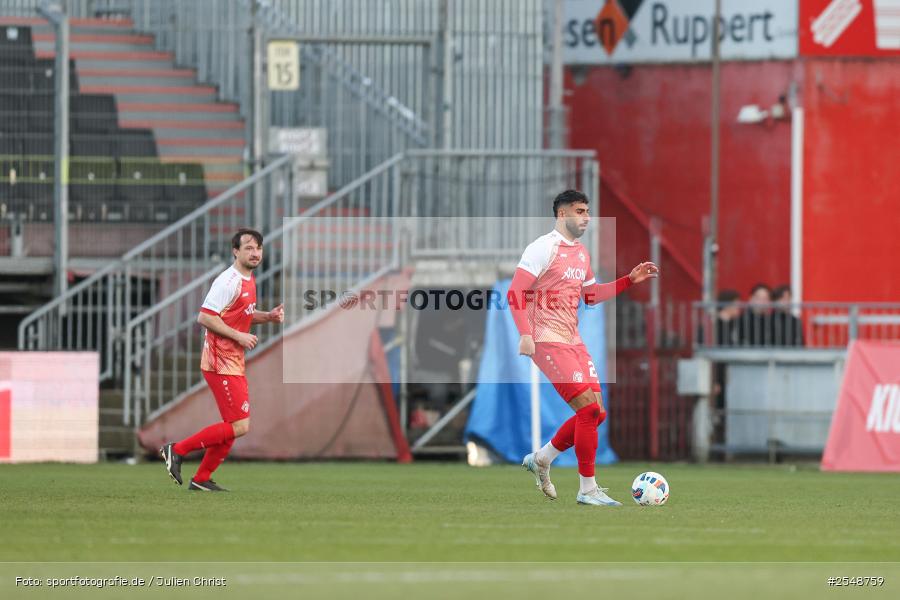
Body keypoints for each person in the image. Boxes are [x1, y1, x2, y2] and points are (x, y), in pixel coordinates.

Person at [507, 189, 658, 506]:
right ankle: (587, 489)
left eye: (588, 211)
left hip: (574, 341)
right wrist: (525, 334)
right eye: (579, 211)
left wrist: (628, 280)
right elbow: (515, 292)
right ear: (562, 214)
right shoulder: (543, 248)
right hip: (546, 340)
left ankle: (542, 458)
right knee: (588, 409)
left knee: (597, 413)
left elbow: (590, 296)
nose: (586, 217)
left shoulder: (580, 254)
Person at [160, 229, 284, 492]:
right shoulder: (228, 281)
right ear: (235, 251)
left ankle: (202, 478)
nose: (255, 253)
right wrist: (239, 336)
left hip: (232, 360)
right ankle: (177, 450)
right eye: (249, 248)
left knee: (233, 425)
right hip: (219, 361)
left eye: (259, 248)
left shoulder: (248, 279)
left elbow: (239, 314)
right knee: (240, 425)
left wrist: (268, 316)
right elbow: (205, 317)